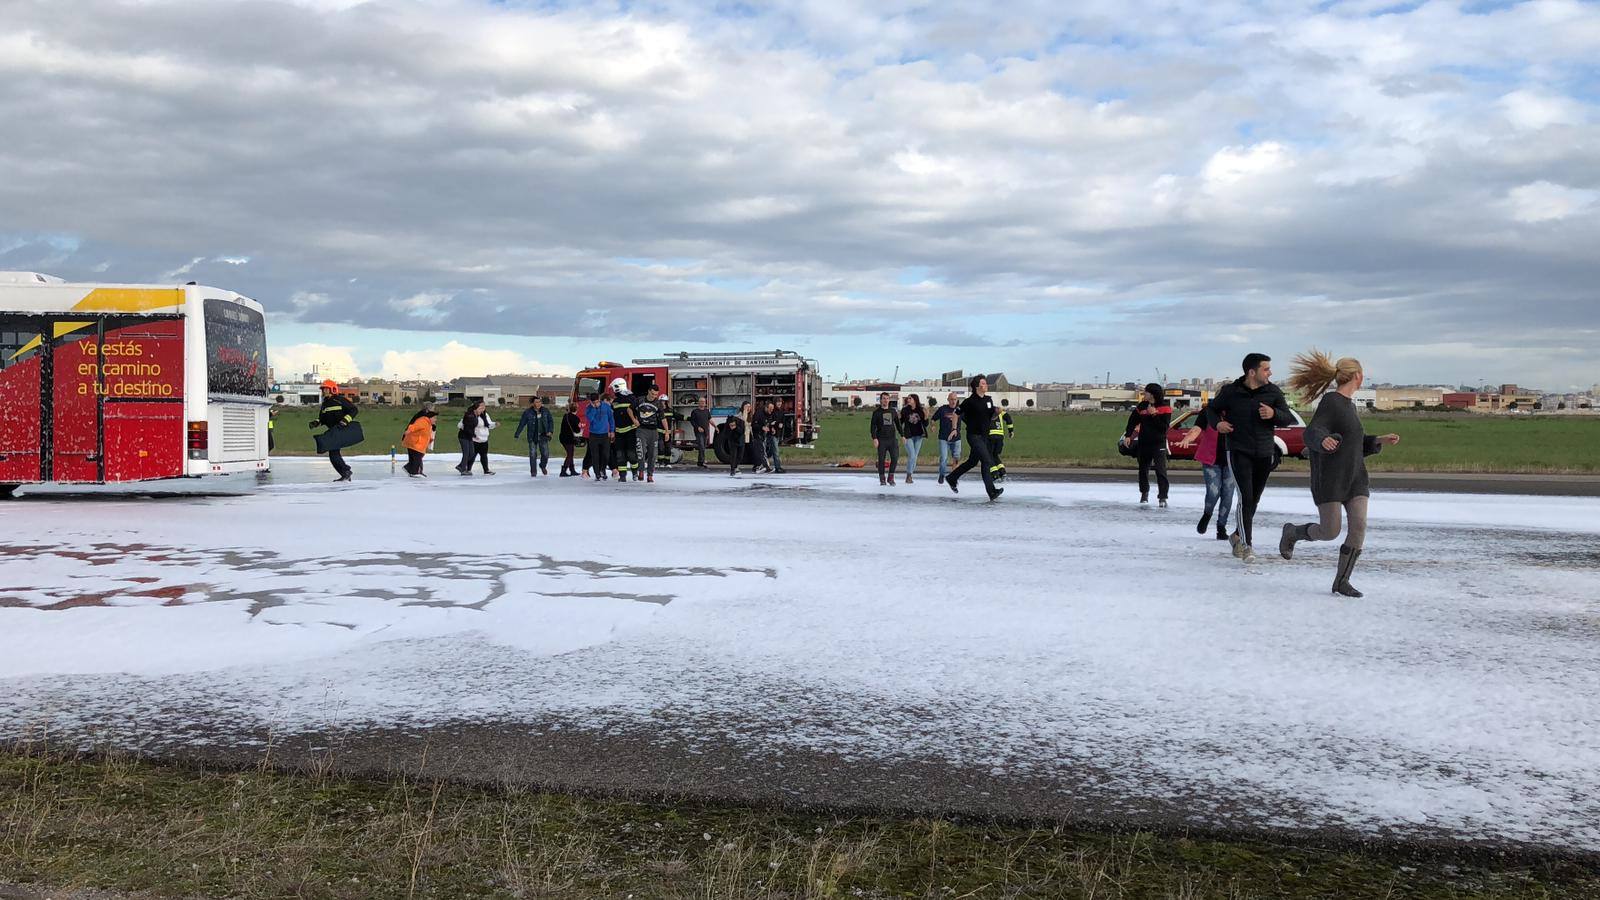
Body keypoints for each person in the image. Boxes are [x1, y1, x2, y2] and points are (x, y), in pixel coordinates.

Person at [1279, 351, 1401, 596]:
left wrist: (1378, 440)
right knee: (1330, 531)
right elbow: (1311, 432)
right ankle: (1293, 532)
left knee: (1359, 526)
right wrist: (1322, 440)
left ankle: (1342, 581)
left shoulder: (1348, 405)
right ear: (1358, 376)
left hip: (1355, 477)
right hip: (1332, 479)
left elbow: (1352, 443)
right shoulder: (1332, 401)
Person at [1189, 353, 1295, 562]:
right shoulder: (1231, 392)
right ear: (1252, 372)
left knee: (1253, 500)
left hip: (1264, 453)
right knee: (1245, 499)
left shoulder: (1272, 391)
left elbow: (1288, 418)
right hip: (1238, 451)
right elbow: (1211, 410)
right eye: (1266, 369)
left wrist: (1274, 414)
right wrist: (1217, 424)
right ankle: (1247, 546)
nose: (1270, 373)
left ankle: (1236, 535)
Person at [1179, 412, 1235, 540]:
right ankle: (1207, 514)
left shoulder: (1237, 410)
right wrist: (1188, 438)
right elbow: (1197, 428)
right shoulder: (1208, 413)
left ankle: (1221, 527)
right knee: (1213, 492)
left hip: (1232, 460)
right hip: (1211, 460)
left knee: (1228, 493)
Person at [947, 376, 1002, 500]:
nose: (986, 385)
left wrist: (996, 413)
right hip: (973, 436)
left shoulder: (988, 400)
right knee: (987, 461)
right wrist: (954, 429)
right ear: (977, 386)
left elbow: (990, 417)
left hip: (984, 436)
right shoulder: (970, 401)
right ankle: (992, 492)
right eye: (983, 383)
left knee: (972, 462)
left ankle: (952, 478)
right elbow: (956, 413)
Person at [1122, 383, 1172, 507]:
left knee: (1161, 470)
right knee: (1143, 470)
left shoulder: (1165, 408)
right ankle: (1144, 494)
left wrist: (1154, 414)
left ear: (1153, 394)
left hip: (1158, 443)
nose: (1144, 394)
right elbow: (1132, 421)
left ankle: (1163, 497)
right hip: (1144, 443)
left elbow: (1163, 428)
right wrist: (1128, 435)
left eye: (1146, 392)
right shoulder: (1141, 406)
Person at [309, 380, 357, 482]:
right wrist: (316, 422)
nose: (323, 391)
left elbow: (354, 410)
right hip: (332, 431)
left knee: (333, 453)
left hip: (341, 430)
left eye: (325, 389)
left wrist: (345, 421)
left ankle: (346, 472)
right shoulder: (325, 404)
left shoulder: (340, 400)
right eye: (323, 389)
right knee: (333, 454)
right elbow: (322, 418)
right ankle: (345, 473)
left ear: (332, 389)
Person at [514, 395, 554, 477]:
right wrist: (517, 434)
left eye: (539, 402)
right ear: (533, 403)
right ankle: (533, 471)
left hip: (543, 435)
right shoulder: (527, 412)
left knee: (545, 454)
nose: (538, 403)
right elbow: (522, 423)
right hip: (532, 436)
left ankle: (542, 466)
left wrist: (550, 431)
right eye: (536, 402)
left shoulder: (545, 411)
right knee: (532, 454)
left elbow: (550, 421)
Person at [610, 378, 640, 482]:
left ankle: (635, 472)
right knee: (620, 454)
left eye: (614, 388)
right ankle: (622, 475)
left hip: (630, 431)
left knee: (631, 454)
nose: (613, 391)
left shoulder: (632, 399)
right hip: (619, 432)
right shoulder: (615, 401)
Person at [457, 400, 496, 475]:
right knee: (471, 455)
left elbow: (489, 424)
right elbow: (462, 424)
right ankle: (466, 469)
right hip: (474, 439)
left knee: (483, 455)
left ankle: (486, 470)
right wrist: (473, 434)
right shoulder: (471, 415)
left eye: (484, 407)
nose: (483, 408)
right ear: (476, 407)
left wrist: (494, 424)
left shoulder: (485, 415)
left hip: (484, 438)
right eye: (481, 407)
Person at [869, 392, 900, 486]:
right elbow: (872, 427)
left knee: (894, 458)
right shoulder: (876, 412)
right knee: (881, 460)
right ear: (880, 400)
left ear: (889, 400)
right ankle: (882, 478)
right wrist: (874, 438)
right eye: (884, 398)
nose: (885, 400)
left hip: (892, 439)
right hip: (881, 439)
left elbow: (898, 424)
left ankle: (891, 477)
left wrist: (903, 435)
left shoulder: (893, 411)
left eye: (887, 398)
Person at [636, 384, 665, 483]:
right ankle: (640, 470)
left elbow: (663, 418)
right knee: (641, 451)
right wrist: (634, 420)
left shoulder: (658, 403)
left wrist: (667, 431)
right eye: (652, 394)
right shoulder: (640, 400)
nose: (654, 396)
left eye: (656, 394)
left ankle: (650, 475)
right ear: (648, 391)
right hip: (641, 430)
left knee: (653, 455)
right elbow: (629, 410)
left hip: (653, 431)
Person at [932, 391, 962, 485]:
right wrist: (932, 425)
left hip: (956, 438)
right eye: (951, 399)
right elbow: (933, 419)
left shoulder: (960, 410)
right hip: (944, 438)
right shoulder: (942, 409)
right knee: (944, 458)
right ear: (948, 400)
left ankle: (953, 477)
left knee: (956, 458)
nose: (953, 401)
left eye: (955, 399)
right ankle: (942, 475)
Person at [583, 392, 614, 480]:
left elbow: (611, 418)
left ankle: (602, 469)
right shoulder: (589, 408)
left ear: (599, 400)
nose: (596, 404)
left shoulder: (606, 406)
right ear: (591, 402)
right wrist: (593, 408)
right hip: (593, 435)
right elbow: (590, 419)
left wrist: (612, 430)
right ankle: (597, 473)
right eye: (593, 402)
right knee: (595, 455)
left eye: (597, 402)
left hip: (605, 434)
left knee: (606, 454)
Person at [401, 404, 437, 477]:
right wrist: (408, 431)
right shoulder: (423, 417)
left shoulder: (426, 418)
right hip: (414, 439)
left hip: (415, 439)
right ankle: (415, 471)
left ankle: (413, 470)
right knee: (417, 456)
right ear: (428, 410)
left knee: (416, 456)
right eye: (433, 409)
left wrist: (431, 436)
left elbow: (428, 428)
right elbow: (415, 426)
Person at [897, 394, 927, 484]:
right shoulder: (905, 410)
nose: (908, 399)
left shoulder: (920, 410)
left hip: (919, 436)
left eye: (910, 398)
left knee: (914, 457)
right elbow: (900, 423)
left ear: (915, 400)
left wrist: (926, 417)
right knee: (912, 455)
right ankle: (909, 475)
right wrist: (902, 434)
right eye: (908, 398)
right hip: (908, 436)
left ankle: (910, 475)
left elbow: (925, 424)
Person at [987, 404, 1015, 482]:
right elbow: (1008, 418)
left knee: (988, 456)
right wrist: (1011, 430)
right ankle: (1002, 472)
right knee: (995, 455)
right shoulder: (999, 411)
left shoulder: (986, 410)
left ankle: (995, 474)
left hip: (990, 436)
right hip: (1000, 437)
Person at [760, 399, 785, 473]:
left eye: (780, 402)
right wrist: (773, 427)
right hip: (772, 433)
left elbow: (782, 421)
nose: (779, 403)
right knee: (776, 451)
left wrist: (781, 424)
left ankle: (761, 464)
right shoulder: (772, 412)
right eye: (778, 402)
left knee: (770, 451)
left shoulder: (782, 412)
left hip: (778, 433)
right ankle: (778, 467)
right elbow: (770, 421)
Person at [725, 403, 749, 477]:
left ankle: (735, 466)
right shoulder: (728, 423)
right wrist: (731, 429)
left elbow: (742, 431)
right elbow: (726, 432)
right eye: (730, 425)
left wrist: (735, 428)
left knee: (740, 456)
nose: (731, 425)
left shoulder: (740, 421)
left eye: (732, 424)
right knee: (733, 455)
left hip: (740, 439)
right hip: (732, 440)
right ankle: (732, 470)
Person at [558, 403, 582, 477]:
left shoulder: (566, 416)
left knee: (570, 453)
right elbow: (577, 430)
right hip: (569, 438)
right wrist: (580, 427)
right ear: (577, 409)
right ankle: (564, 470)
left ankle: (572, 469)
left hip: (562, 437)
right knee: (570, 454)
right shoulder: (576, 418)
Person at [689, 397, 713, 469]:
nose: (702, 403)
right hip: (698, 432)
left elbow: (710, 420)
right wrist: (697, 427)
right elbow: (692, 421)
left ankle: (699, 462)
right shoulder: (695, 411)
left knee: (703, 447)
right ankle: (702, 461)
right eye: (701, 402)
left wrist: (715, 427)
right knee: (701, 446)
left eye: (704, 402)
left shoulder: (707, 411)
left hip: (706, 431)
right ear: (698, 403)